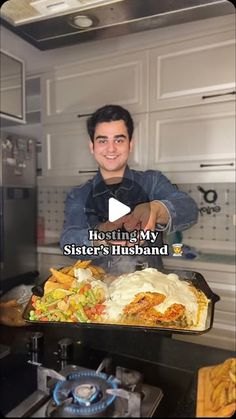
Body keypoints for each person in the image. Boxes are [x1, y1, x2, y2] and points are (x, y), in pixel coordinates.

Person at [60, 104, 198, 274]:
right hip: (99, 294)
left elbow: (189, 209)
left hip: (150, 292)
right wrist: (100, 237)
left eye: (119, 140)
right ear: (92, 146)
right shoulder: (79, 194)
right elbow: (68, 241)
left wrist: (156, 209)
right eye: (103, 140)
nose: (111, 148)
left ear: (130, 144)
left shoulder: (152, 181)